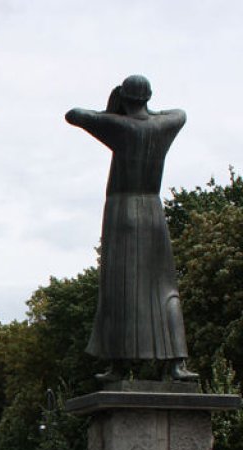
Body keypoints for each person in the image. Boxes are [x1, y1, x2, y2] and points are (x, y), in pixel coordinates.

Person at [66, 75, 197, 382]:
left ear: (124, 98)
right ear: (149, 97)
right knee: (164, 287)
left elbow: (75, 115)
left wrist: (113, 108)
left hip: (122, 211)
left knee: (119, 289)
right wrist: (147, 111)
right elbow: (180, 113)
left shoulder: (119, 127)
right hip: (153, 211)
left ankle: (119, 365)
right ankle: (176, 363)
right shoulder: (165, 125)